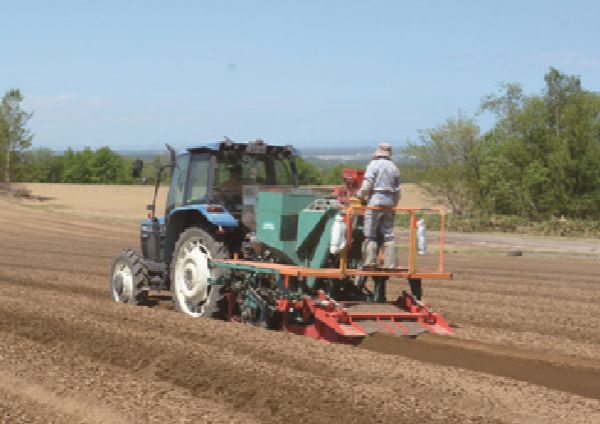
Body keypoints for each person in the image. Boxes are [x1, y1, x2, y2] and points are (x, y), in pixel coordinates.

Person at [356, 143, 401, 269]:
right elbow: (398, 190)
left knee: (370, 233)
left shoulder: (373, 165)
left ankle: (370, 262)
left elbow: (367, 185)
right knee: (388, 233)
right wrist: (394, 205)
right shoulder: (394, 167)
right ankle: (390, 264)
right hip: (390, 203)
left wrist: (359, 196)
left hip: (375, 202)